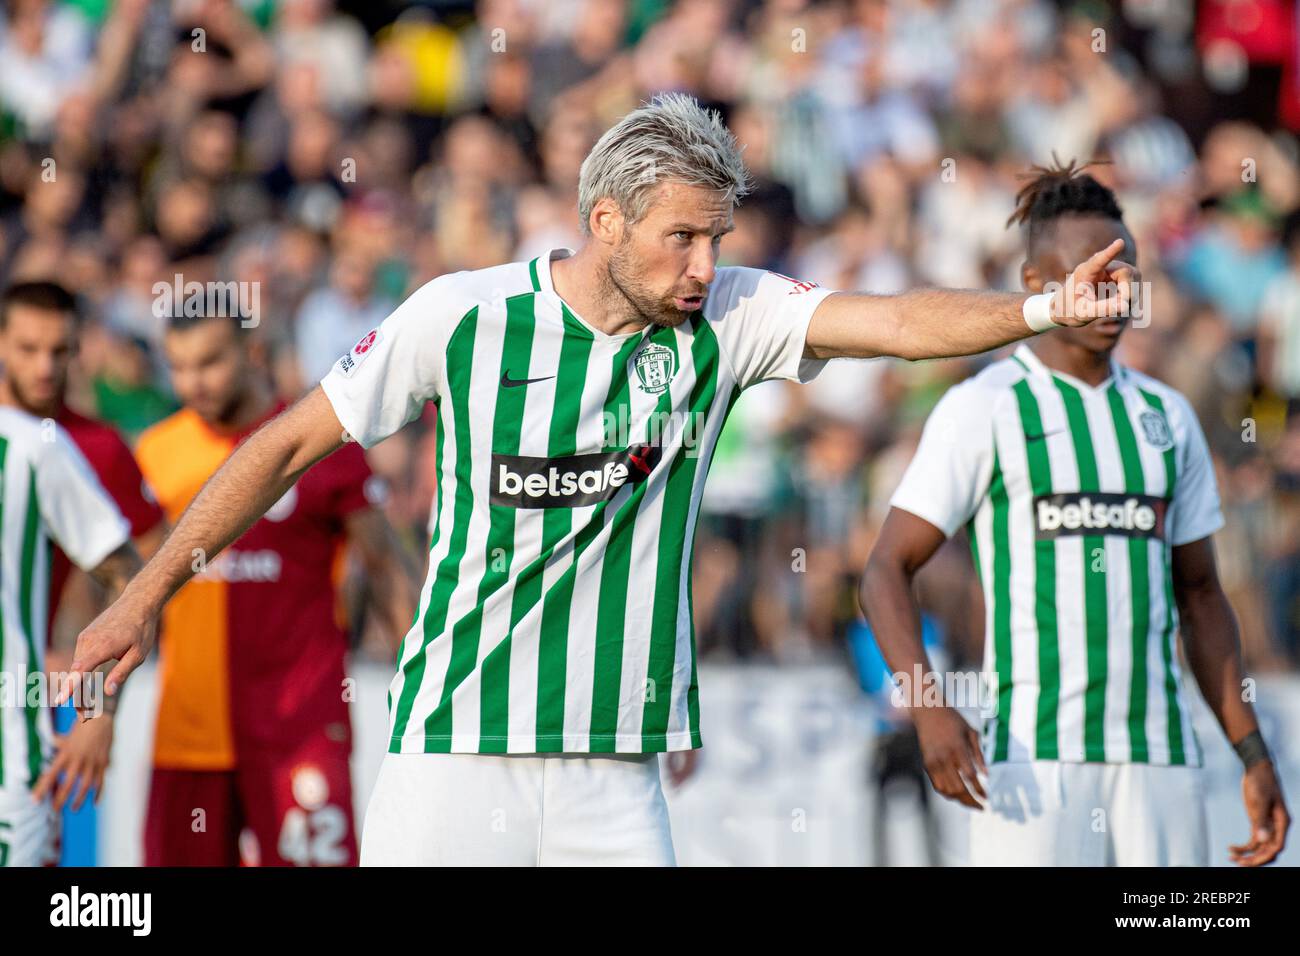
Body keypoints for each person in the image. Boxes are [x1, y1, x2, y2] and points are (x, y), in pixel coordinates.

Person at [64, 94, 1137, 866]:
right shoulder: (466, 316)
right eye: (681, 238)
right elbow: (288, 445)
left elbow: (899, 323)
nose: (704, 268)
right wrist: (141, 595)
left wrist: (1040, 312)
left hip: (614, 772)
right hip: (453, 752)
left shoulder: (732, 315)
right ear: (606, 222)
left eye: (716, 239)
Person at [860, 159, 1291, 866]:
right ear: (1037, 285)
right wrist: (928, 705)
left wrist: (1251, 751)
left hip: (1162, 755)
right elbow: (884, 569)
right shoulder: (987, 405)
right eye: (1094, 275)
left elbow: (1203, 595)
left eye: (1127, 276)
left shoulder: (1168, 416)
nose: (1114, 294)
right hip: (1034, 758)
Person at [133, 309, 419, 866]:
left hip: (300, 726)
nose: (195, 381)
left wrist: (420, 685)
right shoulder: (156, 453)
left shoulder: (316, 443)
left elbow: (384, 566)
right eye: (179, 367)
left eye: (210, 362)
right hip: (188, 734)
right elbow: (123, 583)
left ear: (253, 354)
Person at [0, 403, 140, 865]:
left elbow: (127, 574)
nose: (45, 366)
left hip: (11, 771)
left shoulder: (29, 447)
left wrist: (100, 708)